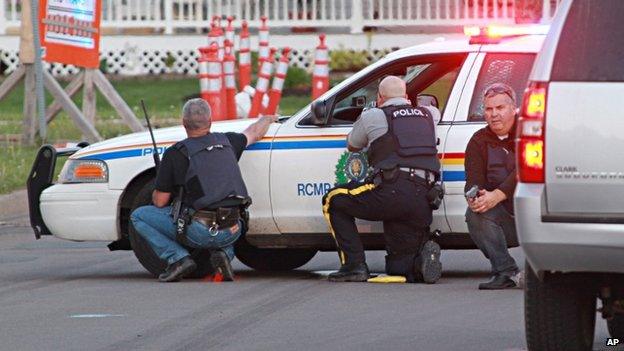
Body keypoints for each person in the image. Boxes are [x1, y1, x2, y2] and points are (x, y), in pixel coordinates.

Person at [131, 98, 276, 283]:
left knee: (139, 216)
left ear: (184, 123)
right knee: (224, 211)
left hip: (200, 232)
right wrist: (268, 119)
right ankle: (224, 253)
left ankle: (178, 259)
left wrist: (160, 184)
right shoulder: (229, 141)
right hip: (234, 229)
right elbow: (254, 131)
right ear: (210, 121)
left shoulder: (175, 153)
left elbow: (160, 202)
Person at [322, 75, 443, 283]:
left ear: (379, 97)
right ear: (406, 96)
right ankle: (418, 262)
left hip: (391, 192)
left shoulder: (374, 115)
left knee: (333, 199)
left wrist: (367, 115)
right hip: (424, 198)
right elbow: (431, 111)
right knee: (399, 269)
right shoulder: (429, 114)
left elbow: (352, 144)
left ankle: (354, 265)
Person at [464, 83, 522, 290]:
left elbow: (526, 168)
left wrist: (498, 194)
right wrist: (475, 198)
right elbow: (473, 180)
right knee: (475, 214)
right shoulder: (478, 141)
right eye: (488, 109)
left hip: (536, 216)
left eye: (500, 108)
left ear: (513, 108)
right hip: (506, 220)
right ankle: (506, 271)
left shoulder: (530, 133)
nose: (493, 114)